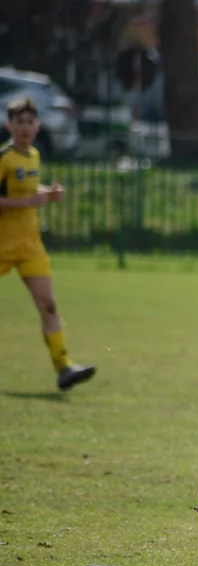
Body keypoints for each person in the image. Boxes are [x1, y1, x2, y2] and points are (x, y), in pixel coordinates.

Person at [1, 97, 95, 391]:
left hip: (29, 245)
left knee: (49, 306)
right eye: (20, 122)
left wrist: (47, 193)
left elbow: (27, 190)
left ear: (38, 126)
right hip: (2, 243)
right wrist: (26, 201)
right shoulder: (5, 158)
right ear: (9, 126)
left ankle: (63, 368)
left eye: (30, 122)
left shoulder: (34, 156)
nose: (26, 128)